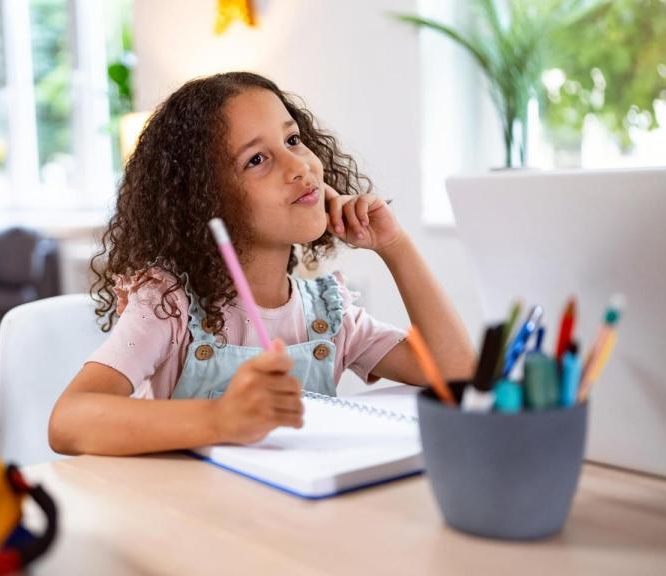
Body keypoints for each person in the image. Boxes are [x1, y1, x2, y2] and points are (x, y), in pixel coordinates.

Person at [49, 72, 475, 456]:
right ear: (205, 199)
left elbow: (458, 376)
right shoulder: (170, 306)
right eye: (256, 159)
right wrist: (219, 420)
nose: (298, 166)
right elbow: (69, 421)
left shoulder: (329, 314)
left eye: (292, 140)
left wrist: (395, 246)